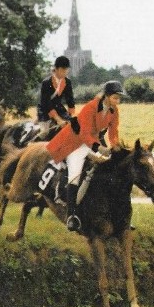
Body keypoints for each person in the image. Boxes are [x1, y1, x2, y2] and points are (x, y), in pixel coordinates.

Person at [45, 80, 123, 232]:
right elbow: (84, 133)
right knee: (75, 172)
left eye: (119, 98)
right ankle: (71, 215)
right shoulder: (91, 107)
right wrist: (99, 148)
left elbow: (113, 132)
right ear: (106, 96)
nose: (117, 100)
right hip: (75, 141)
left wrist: (115, 145)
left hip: (92, 141)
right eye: (115, 97)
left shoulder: (114, 110)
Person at [36, 55, 76, 141]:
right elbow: (47, 103)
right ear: (56, 69)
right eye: (62, 70)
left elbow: (70, 100)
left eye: (66, 70)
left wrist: (71, 116)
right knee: (45, 132)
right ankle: (32, 146)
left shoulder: (67, 82)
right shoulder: (46, 82)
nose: (65, 73)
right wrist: (58, 120)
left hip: (59, 109)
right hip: (45, 110)